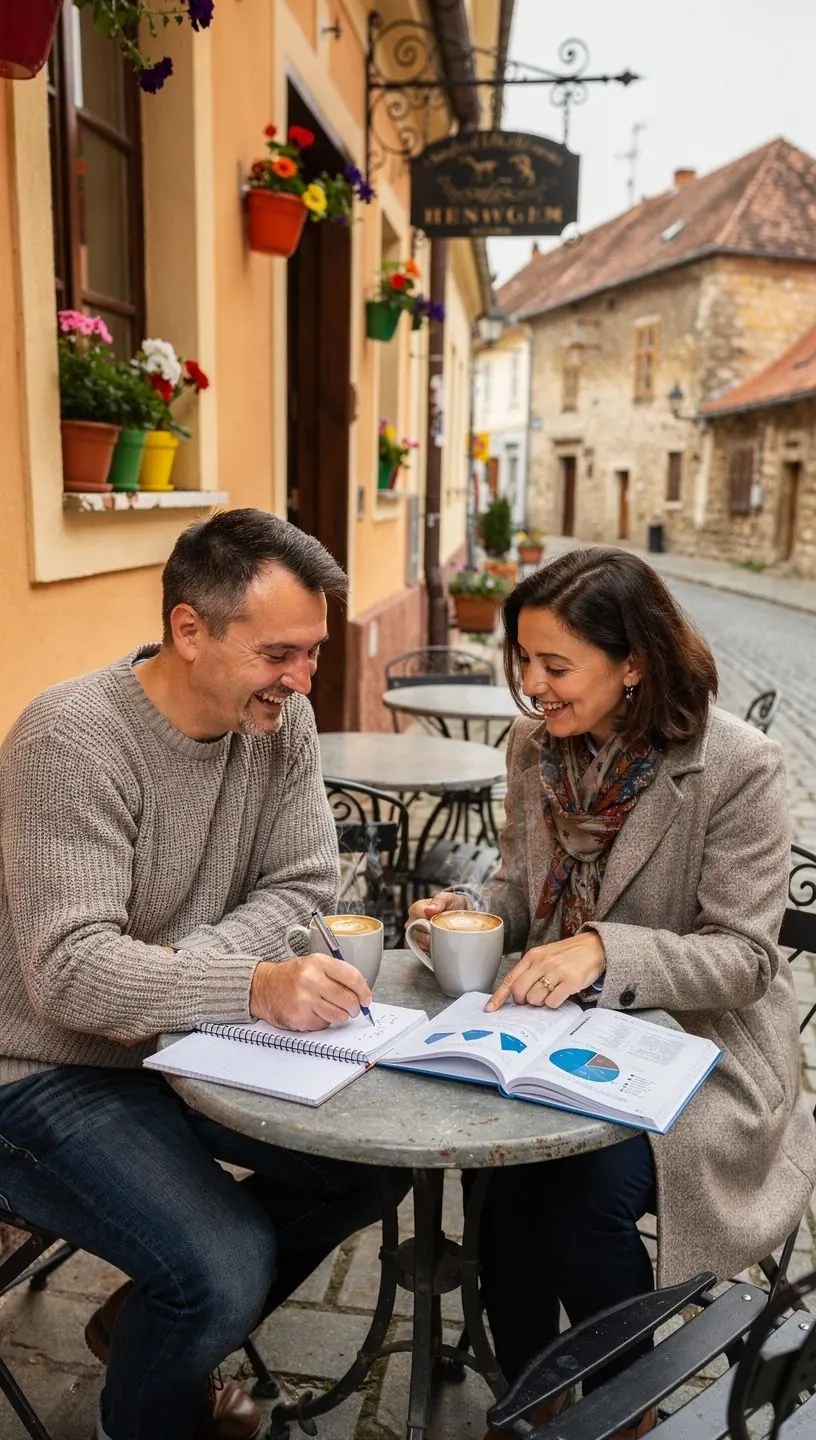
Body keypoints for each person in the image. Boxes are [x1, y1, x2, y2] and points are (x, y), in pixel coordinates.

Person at [0, 509, 394, 1440]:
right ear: (189, 629)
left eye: (312, 652)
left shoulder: (277, 720)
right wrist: (251, 983)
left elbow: (304, 880)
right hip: (43, 1069)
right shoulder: (71, 739)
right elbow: (70, 976)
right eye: (278, 654)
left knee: (370, 1170)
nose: (302, 682)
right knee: (220, 1264)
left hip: (190, 1039)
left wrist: (192, 973)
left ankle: (143, 1329)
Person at [408, 547, 816, 1440]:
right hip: (559, 1034)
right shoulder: (535, 749)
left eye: (557, 667)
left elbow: (746, 960)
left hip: (706, 1051)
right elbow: (520, 896)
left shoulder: (736, 766)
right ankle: (531, 1397)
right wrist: (466, 915)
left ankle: (624, 1406)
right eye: (523, 660)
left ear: (634, 663)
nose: (532, 688)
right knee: (501, 1168)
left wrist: (601, 949)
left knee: (582, 1188)